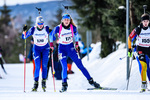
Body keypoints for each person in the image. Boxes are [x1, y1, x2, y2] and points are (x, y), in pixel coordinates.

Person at [49, 13, 100, 92]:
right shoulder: (58, 28)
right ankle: (64, 85)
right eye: (65, 20)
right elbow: (51, 35)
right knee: (64, 67)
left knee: (80, 66)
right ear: (62, 20)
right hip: (61, 49)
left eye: (68, 20)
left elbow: (76, 35)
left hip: (71, 48)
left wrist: (76, 44)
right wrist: (51, 45)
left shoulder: (73, 27)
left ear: (70, 21)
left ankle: (92, 81)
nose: (66, 21)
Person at [22, 16, 50, 92]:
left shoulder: (46, 28)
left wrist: (52, 33)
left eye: (42, 23)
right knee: (37, 66)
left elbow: (52, 35)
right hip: (36, 49)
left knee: (44, 65)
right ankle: (35, 83)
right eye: (39, 23)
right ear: (36, 23)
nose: (41, 25)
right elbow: (24, 37)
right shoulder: (33, 29)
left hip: (45, 49)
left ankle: (43, 82)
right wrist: (24, 31)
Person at [128, 13, 150, 92]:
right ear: (141, 22)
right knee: (144, 65)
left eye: (147, 21)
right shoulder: (138, 29)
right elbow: (130, 38)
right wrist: (129, 49)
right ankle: (143, 85)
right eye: (144, 21)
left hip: (148, 48)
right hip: (140, 48)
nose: (145, 23)